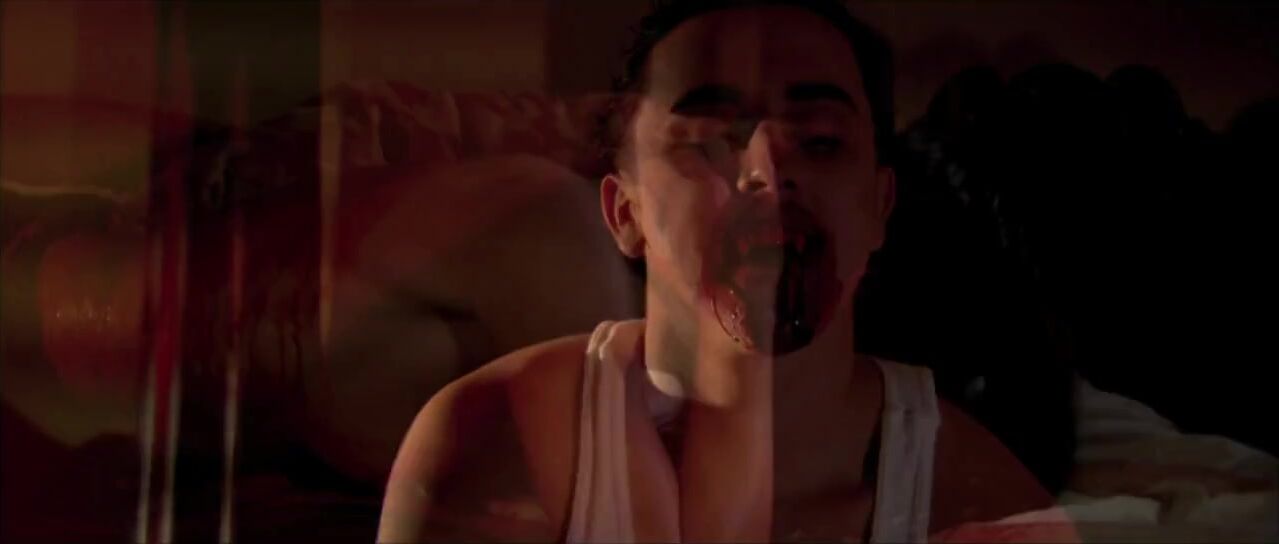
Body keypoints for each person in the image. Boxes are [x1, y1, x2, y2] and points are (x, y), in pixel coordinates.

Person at [379, 1, 1054, 542]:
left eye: (820, 141)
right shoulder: (499, 443)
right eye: (706, 143)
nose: (767, 171)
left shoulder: (977, 502)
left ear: (879, 205)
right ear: (624, 213)